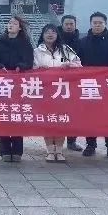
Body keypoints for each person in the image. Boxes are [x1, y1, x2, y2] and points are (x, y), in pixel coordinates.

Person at [0, 15, 34, 162]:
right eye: (9, 23)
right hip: (3, 85)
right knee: (4, 116)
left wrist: (21, 66)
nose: (11, 25)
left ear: (20, 28)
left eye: (14, 23)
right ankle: (5, 150)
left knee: (18, 117)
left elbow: (29, 62)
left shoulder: (26, 44)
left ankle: (17, 151)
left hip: (20, 85)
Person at [77, 11, 108, 160]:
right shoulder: (83, 42)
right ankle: (91, 145)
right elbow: (77, 61)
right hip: (88, 86)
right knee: (89, 116)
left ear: (105, 24)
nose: (97, 25)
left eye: (100, 23)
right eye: (95, 23)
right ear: (91, 24)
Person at [33, 24, 81, 163]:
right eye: (47, 32)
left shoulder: (66, 49)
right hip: (45, 91)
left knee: (60, 120)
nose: (50, 34)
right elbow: (30, 68)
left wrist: (69, 65)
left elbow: (79, 64)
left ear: (57, 35)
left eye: (53, 32)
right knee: (48, 121)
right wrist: (38, 68)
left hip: (62, 91)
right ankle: (50, 151)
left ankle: (59, 151)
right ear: (42, 35)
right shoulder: (36, 51)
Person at [57, 14, 83, 152]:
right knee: (57, 111)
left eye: (71, 24)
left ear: (75, 25)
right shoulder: (54, 38)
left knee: (74, 112)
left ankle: (72, 141)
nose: (69, 26)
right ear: (62, 25)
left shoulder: (81, 41)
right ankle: (56, 142)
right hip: (57, 82)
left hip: (75, 81)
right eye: (66, 24)